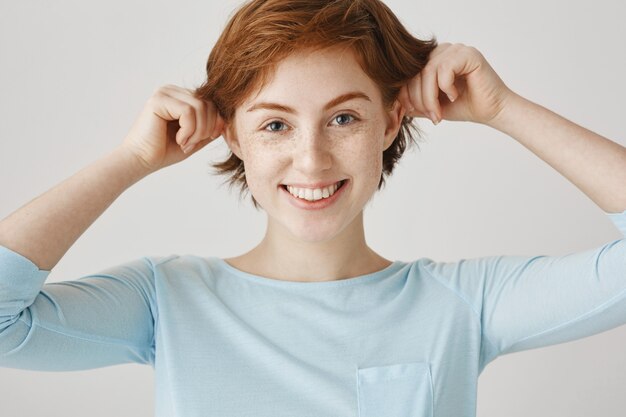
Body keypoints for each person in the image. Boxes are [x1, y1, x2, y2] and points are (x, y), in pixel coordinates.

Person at [0, 0, 624, 416]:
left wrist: (502, 108)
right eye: (275, 125)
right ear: (234, 137)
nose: (312, 160)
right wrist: (132, 159)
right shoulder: (168, 299)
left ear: (390, 122)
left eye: (344, 118)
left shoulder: (461, 302)